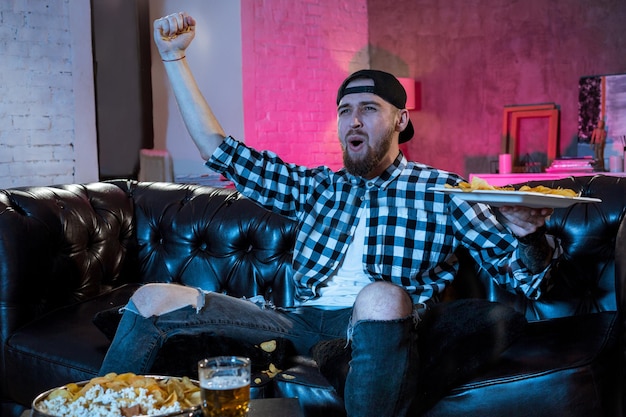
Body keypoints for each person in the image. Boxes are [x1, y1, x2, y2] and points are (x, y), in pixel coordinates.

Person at [100, 12, 558, 417]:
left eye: (369, 109)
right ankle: (94, 409)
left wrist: (529, 236)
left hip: (374, 326)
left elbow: (529, 279)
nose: (353, 120)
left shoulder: (443, 189)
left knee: (380, 294)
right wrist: (173, 60)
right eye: (344, 111)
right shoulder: (316, 185)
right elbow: (220, 151)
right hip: (293, 321)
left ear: (400, 120)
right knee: (151, 297)